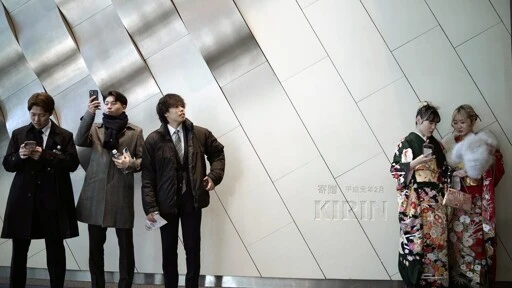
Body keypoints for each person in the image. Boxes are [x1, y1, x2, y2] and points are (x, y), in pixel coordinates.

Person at [141, 93, 225, 288]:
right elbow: (148, 177)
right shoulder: (154, 140)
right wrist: (151, 207)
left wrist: (214, 177)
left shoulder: (200, 133)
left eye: (182, 105)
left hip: (192, 200)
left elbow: (218, 153)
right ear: (165, 113)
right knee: (168, 249)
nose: (181, 109)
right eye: (175, 106)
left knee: (192, 248)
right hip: (165, 204)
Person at [2, 92, 79, 288]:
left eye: (42, 115)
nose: (37, 119)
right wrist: (19, 156)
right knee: (19, 252)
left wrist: (45, 155)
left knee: (55, 251)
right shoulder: (19, 134)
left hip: (53, 202)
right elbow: (8, 164)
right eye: (33, 114)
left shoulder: (64, 135)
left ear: (50, 113)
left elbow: (72, 164)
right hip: (23, 201)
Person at [75, 90, 144, 288]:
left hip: (121, 192)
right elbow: (79, 140)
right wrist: (89, 113)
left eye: (113, 103)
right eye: (106, 102)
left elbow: (144, 160)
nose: (109, 105)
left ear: (124, 106)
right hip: (95, 194)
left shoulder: (135, 132)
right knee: (95, 248)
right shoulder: (95, 128)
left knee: (125, 247)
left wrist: (130, 164)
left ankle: (125, 285)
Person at [442, 104, 505, 288]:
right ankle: (457, 279)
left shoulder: (482, 142)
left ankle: (476, 281)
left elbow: (497, 167)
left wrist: (470, 171)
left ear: (473, 121)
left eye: (463, 122)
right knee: (456, 239)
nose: (458, 126)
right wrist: (451, 172)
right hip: (456, 199)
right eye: (455, 122)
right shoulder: (448, 142)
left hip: (477, 200)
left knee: (475, 238)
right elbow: (439, 169)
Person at [390, 102, 450, 287]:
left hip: (436, 202)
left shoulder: (437, 145)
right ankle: (416, 282)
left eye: (435, 124)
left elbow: (445, 170)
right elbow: (395, 170)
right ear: (418, 120)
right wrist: (415, 163)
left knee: (437, 239)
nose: (433, 127)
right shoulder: (407, 142)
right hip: (416, 202)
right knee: (417, 243)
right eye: (429, 122)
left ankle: (437, 282)